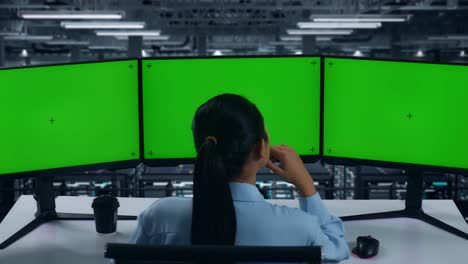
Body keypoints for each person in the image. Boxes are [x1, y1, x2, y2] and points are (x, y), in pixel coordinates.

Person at [130, 94, 350, 262]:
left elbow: (125, 259)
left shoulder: (159, 216)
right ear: (260, 148)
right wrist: (306, 186)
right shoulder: (301, 227)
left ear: (201, 147)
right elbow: (337, 249)